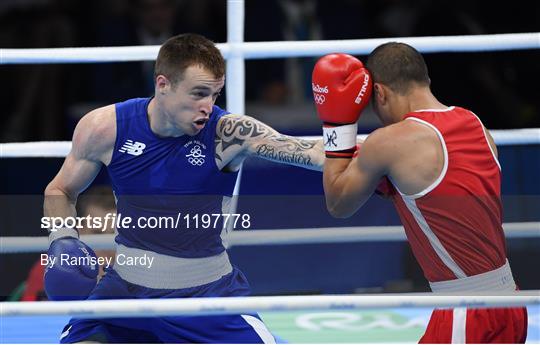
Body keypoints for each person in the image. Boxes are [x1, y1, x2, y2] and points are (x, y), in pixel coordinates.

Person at [44, 33, 323, 343]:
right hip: (124, 291)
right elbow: (60, 190)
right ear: (163, 85)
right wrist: (62, 239)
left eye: (215, 94)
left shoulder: (226, 133)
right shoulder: (105, 128)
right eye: (198, 93)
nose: (208, 106)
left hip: (207, 296)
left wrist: (357, 139)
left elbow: (310, 152)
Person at [311, 43, 527, 343]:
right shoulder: (475, 124)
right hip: (511, 301)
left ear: (380, 94)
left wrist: (339, 124)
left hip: (465, 312)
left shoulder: (391, 141)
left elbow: (338, 203)